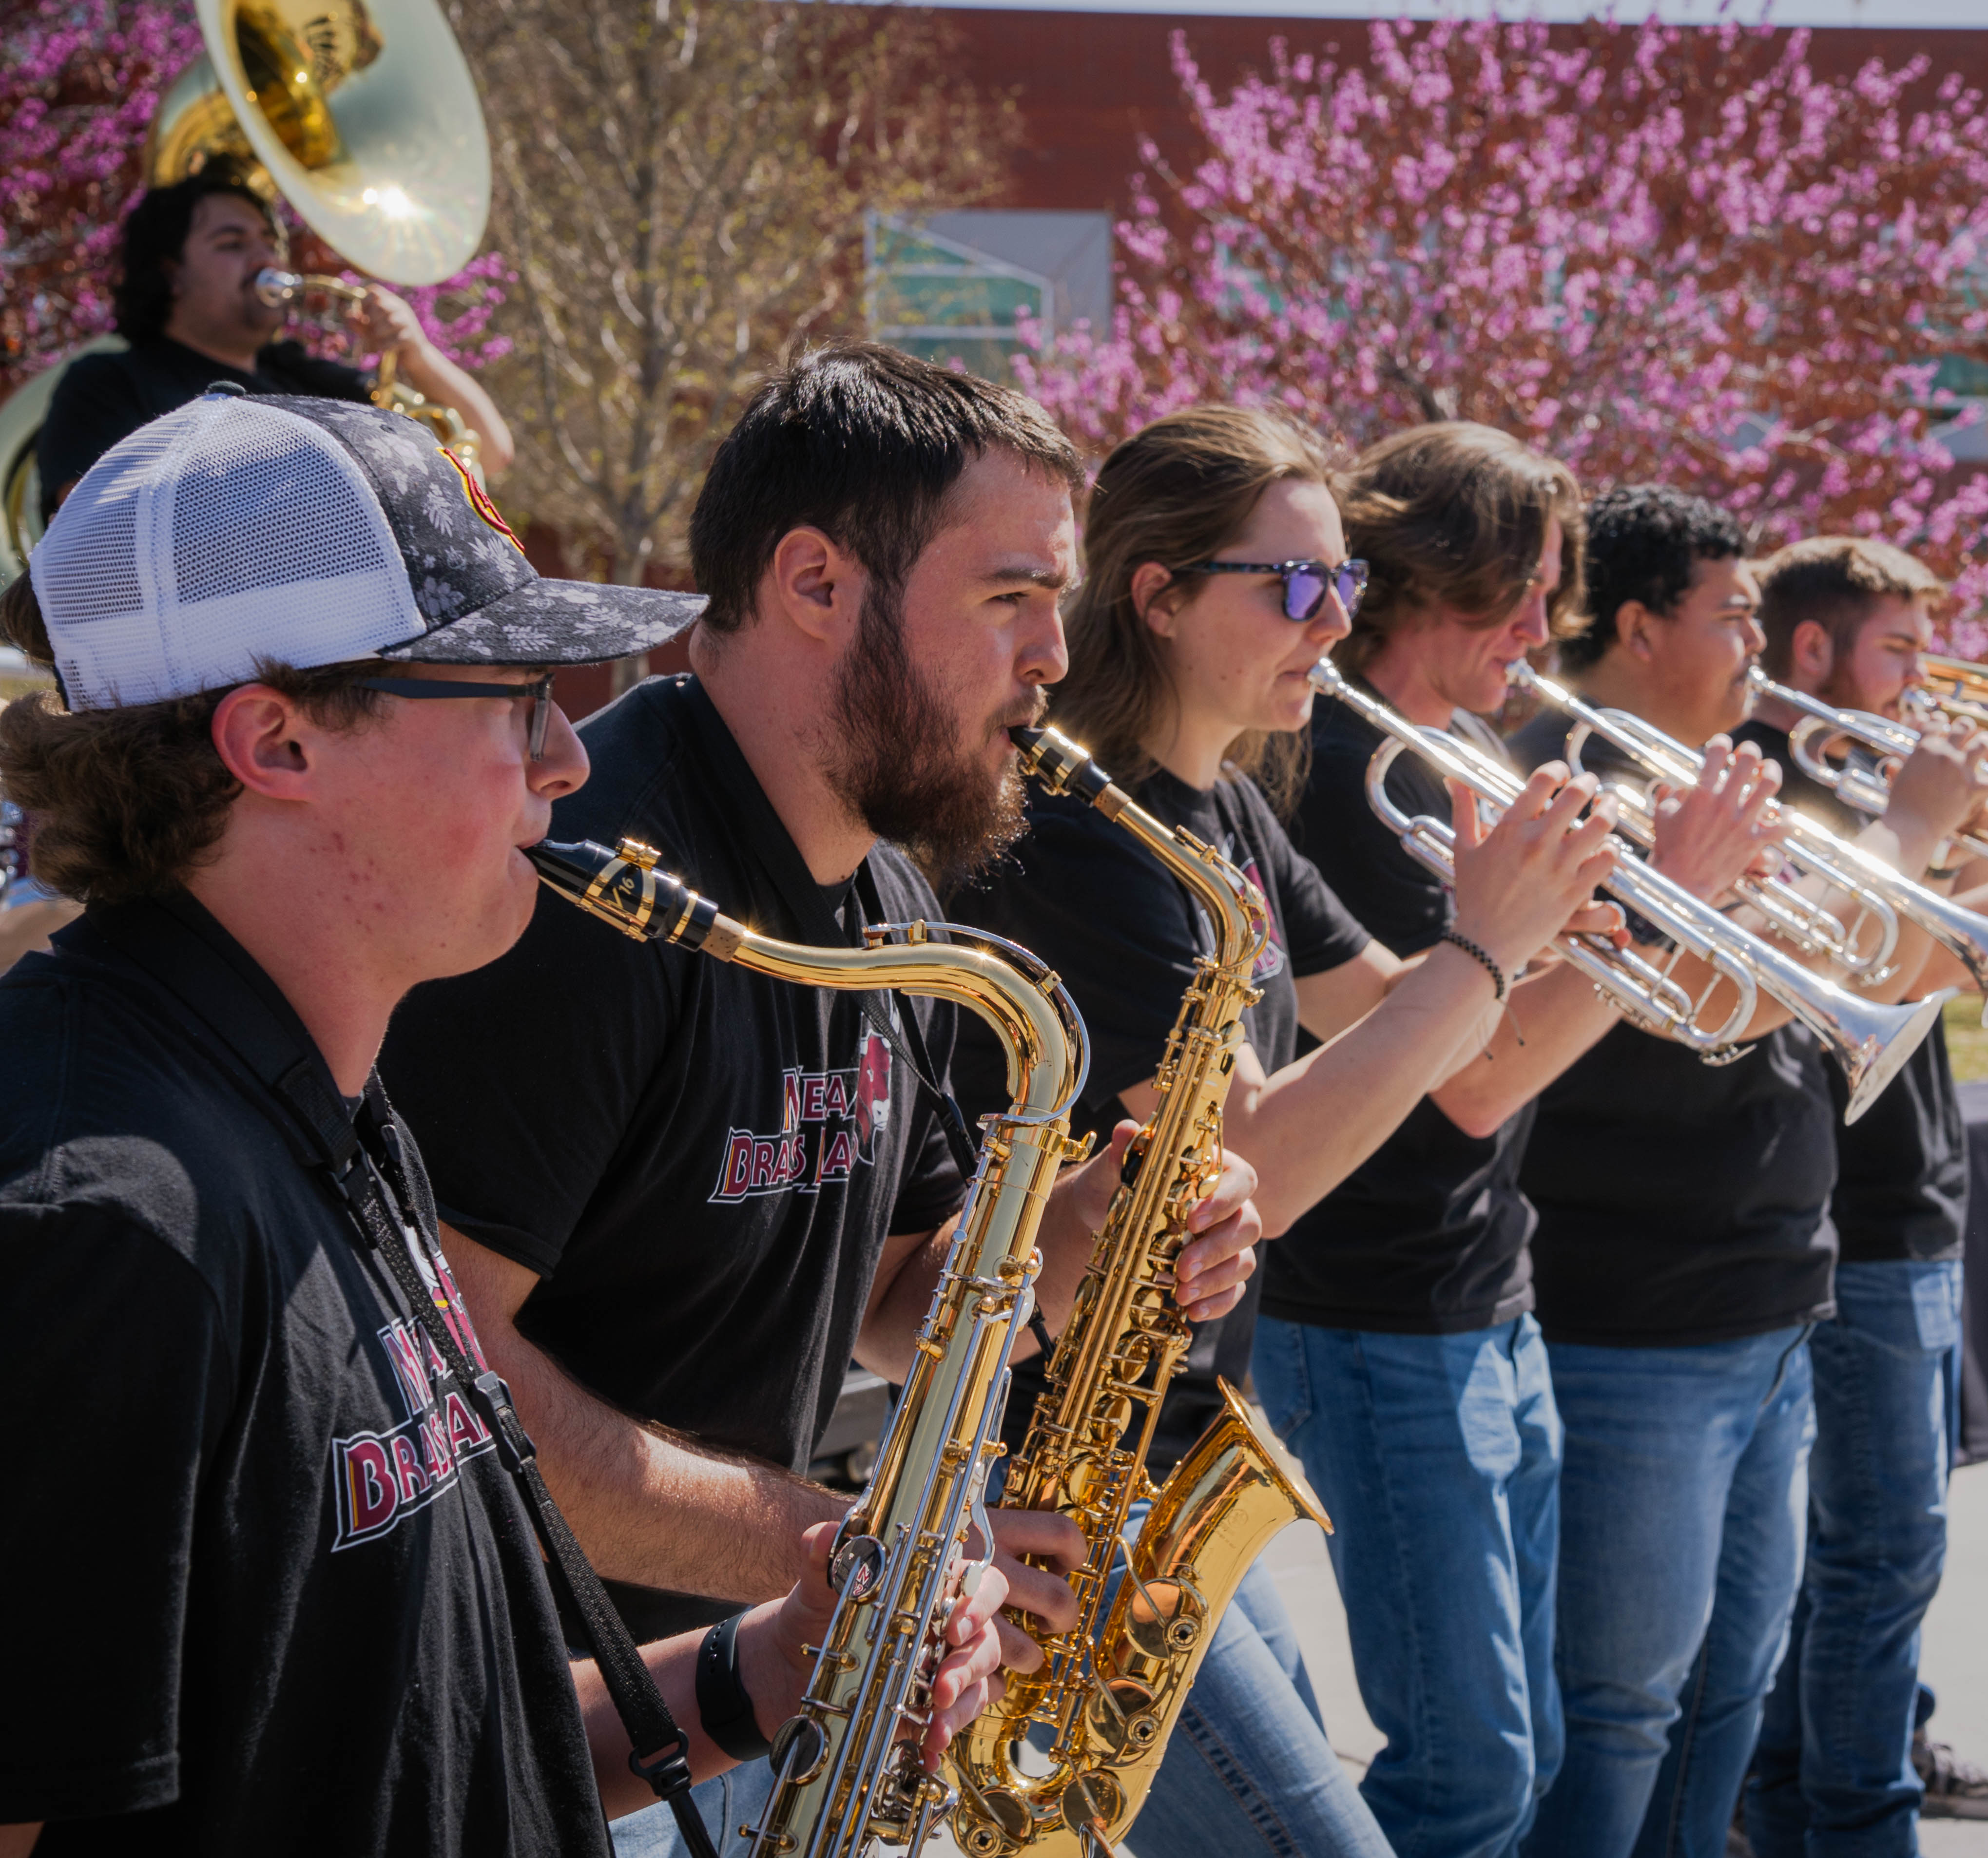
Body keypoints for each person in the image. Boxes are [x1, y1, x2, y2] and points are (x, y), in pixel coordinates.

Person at [0, 388, 1005, 1854]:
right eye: (514, 698)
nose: (570, 761)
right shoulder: (98, 1226)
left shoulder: (321, 1108)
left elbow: (408, 1741)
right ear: (277, 742)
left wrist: (768, 1666)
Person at [375, 345, 1263, 1855]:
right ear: (813, 582)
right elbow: (447, 1386)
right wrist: (867, 1552)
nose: (1058, 651)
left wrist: (1090, 1238)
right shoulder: (597, 879)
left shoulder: (888, 885)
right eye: (1010, 595)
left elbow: (898, 1294)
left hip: (753, 1675)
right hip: (535, 1717)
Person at [945, 404, 1624, 1857]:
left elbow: (1460, 1057)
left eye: (1349, 589)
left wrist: (1613, 938)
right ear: (1162, 594)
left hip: (1181, 1445)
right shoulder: (1079, 832)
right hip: (1065, 1466)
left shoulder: (1230, 813)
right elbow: (1255, 1172)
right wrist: (1486, 949)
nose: (1333, 621)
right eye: (1299, 586)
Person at [1255, 422, 1787, 1858]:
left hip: (1489, 1290)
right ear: (1433, 577)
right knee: (1468, 1772)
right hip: (1376, 1307)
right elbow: (1470, 1082)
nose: (1545, 629)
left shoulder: (1470, 747)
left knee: (1532, 1740)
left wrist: (1641, 912)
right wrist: (1666, 895)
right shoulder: (1337, 764)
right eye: (1525, 591)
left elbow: (1540, 1017)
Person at [1507, 487, 1988, 1858]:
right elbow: (1712, 1001)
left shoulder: (1713, 771)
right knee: (1617, 1712)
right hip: (1638, 1318)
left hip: (1767, 1298)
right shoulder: (1566, 774)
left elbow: (1839, 978)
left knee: (1725, 1693)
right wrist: (1905, 836)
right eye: (1732, 614)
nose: (1753, 640)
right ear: (1635, 623)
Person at [1735, 537, 1988, 1855]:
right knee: (1873, 1554)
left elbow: (1942, 949)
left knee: (1867, 1557)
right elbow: (1869, 971)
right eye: (1897, 650)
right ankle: (1846, 1816)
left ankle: (1792, 1803)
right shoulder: (1775, 790)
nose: (1924, 680)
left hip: (1915, 1201)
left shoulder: (1867, 787)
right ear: (1808, 652)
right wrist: (1966, 843)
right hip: (1860, 1217)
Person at [35, 172, 514, 512]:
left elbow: (489, 453)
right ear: (171, 274)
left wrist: (416, 353)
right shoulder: (108, 383)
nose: (266, 257)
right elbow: (91, 525)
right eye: (232, 243)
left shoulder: (302, 375)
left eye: (270, 240)